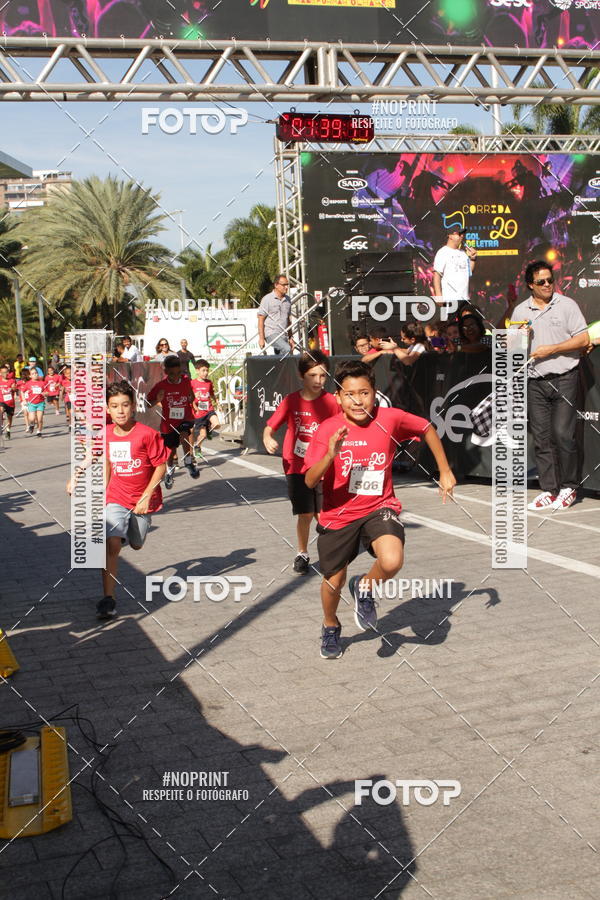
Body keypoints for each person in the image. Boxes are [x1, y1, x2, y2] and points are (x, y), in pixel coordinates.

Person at [303, 360, 456, 659]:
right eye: (349, 394)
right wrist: (331, 454)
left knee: (392, 559)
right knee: (333, 580)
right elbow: (310, 480)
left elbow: (426, 428)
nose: (357, 400)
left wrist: (445, 470)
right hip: (338, 514)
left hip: (379, 506)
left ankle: (366, 588)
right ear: (338, 397)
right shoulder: (328, 429)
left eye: (364, 393)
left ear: (375, 394)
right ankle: (331, 624)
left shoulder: (391, 418)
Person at [68, 380, 169, 621]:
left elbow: (161, 466)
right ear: (107, 409)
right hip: (116, 497)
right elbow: (96, 456)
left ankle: (127, 534)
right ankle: (108, 599)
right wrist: (76, 476)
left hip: (143, 501)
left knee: (136, 544)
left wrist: (145, 496)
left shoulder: (147, 434)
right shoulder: (105, 434)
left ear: (133, 406)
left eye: (125, 405)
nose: (120, 410)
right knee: (111, 543)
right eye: (115, 406)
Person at [510, 261, 590, 512]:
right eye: (541, 282)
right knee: (542, 438)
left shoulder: (567, 305)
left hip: (565, 376)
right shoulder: (521, 311)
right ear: (530, 285)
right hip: (535, 381)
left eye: (550, 280)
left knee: (563, 434)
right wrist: (519, 339)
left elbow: (583, 338)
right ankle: (549, 489)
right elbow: (513, 348)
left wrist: (553, 349)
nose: (547, 285)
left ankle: (568, 487)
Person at [263, 350, 338, 575]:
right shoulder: (291, 400)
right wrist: (267, 436)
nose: (318, 381)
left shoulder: (332, 402)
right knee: (305, 513)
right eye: (313, 375)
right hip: (295, 465)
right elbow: (271, 425)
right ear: (301, 375)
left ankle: (330, 553)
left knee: (323, 514)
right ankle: (302, 553)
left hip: (324, 466)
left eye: (323, 375)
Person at [147, 354, 199, 488]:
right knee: (171, 450)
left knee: (184, 433)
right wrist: (158, 399)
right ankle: (170, 470)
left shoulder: (186, 380)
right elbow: (148, 404)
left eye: (178, 373)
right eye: (172, 374)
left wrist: (191, 401)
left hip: (184, 418)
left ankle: (188, 461)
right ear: (165, 372)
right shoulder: (161, 386)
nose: (176, 377)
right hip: (168, 423)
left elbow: (191, 394)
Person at [432, 226, 477, 306]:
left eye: (462, 234)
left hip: (465, 299)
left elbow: (469, 272)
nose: (462, 236)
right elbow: (437, 275)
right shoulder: (443, 252)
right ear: (450, 236)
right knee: (451, 318)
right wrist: (439, 295)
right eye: (459, 234)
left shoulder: (463, 253)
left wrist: (472, 259)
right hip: (450, 298)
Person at [257, 275, 295, 357]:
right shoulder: (267, 299)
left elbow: (288, 320)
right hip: (271, 333)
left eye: (287, 284)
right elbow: (261, 319)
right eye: (284, 285)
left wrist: (290, 337)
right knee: (287, 349)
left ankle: (279, 369)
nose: (286, 287)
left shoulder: (288, 300)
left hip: (284, 334)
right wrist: (261, 338)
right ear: (276, 285)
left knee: (280, 358)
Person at [190, 358, 220, 461]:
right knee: (203, 435)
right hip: (199, 413)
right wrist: (194, 396)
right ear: (197, 370)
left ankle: (209, 427)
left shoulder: (209, 383)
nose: (206, 373)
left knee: (217, 424)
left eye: (207, 370)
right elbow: (189, 398)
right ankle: (197, 446)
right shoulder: (192, 383)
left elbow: (212, 394)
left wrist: (218, 403)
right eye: (203, 370)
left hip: (209, 409)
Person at [22, 367, 46, 436]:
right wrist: (24, 400)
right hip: (31, 403)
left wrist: (44, 394)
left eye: (36, 373)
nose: (35, 375)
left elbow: (46, 392)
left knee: (39, 419)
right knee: (32, 418)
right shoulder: (28, 383)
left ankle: (39, 431)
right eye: (33, 374)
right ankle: (32, 425)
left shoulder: (42, 383)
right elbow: (22, 391)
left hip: (40, 403)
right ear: (30, 376)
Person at [0, 363, 16, 439]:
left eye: (6, 372)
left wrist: (12, 388)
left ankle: (8, 430)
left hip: (10, 402)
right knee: (1, 410)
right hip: (2, 401)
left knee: (9, 418)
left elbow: (14, 388)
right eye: (3, 372)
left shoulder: (11, 380)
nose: (5, 374)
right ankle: (1, 426)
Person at [61, 365, 73, 430]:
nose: (69, 375)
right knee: (71, 412)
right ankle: (71, 425)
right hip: (68, 399)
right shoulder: (64, 382)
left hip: (76, 400)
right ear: (65, 375)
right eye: (67, 373)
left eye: (71, 373)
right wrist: (61, 395)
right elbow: (63, 389)